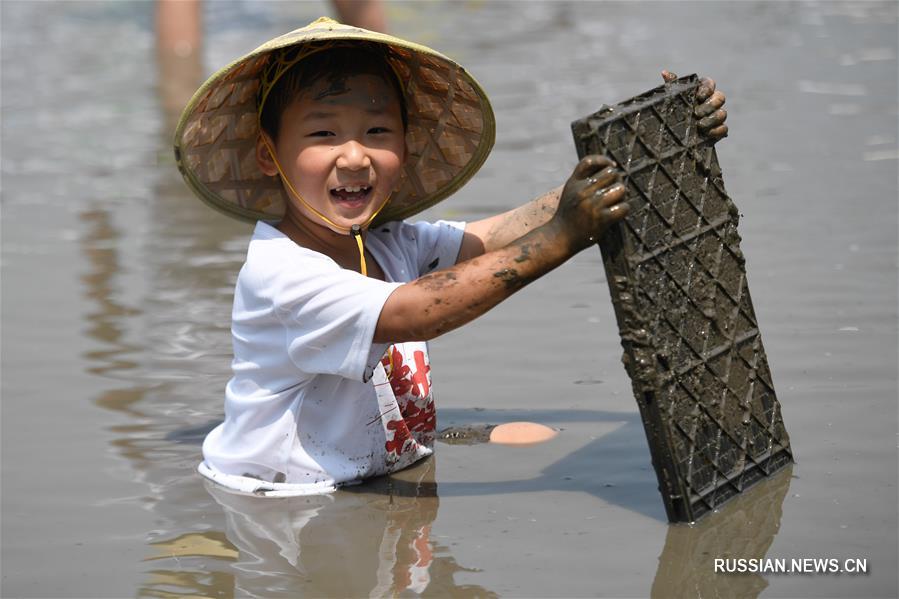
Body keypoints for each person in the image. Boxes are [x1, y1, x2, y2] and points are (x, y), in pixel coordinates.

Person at [173, 17, 727, 496]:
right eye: (323, 132)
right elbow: (420, 311)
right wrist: (562, 235)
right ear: (270, 155)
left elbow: (494, 237)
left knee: (531, 437)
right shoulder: (282, 273)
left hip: (375, 478)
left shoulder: (390, 241)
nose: (354, 154)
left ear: (405, 146)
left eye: (377, 131)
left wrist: (632, 165)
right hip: (283, 504)